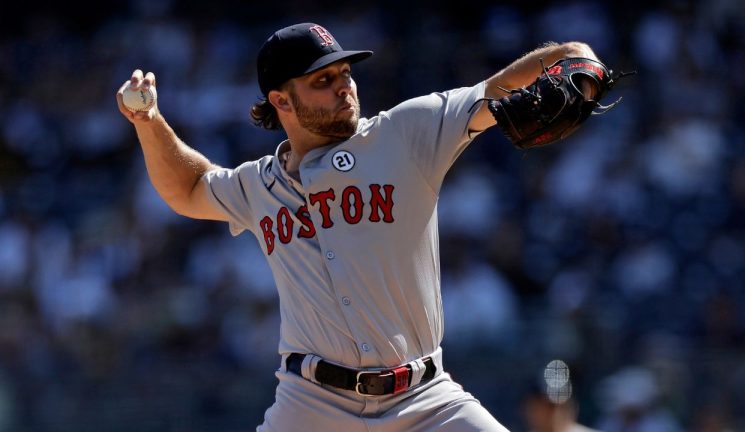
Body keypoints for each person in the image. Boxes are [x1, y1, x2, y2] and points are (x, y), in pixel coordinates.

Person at [116, 22, 600, 432]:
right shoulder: (258, 186)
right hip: (312, 405)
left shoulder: (405, 133)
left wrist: (579, 63)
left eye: (345, 73)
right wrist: (148, 119)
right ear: (281, 100)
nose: (343, 86)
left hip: (425, 400)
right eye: (322, 80)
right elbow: (189, 188)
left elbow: (499, 87)